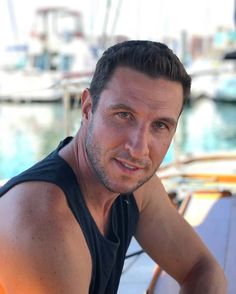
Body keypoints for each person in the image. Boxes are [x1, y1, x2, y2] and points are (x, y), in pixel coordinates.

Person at [0, 40, 227, 294]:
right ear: (87, 109)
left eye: (160, 125)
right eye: (123, 115)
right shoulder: (44, 225)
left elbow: (200, 267)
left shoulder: (137, 188)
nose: (139, 148)